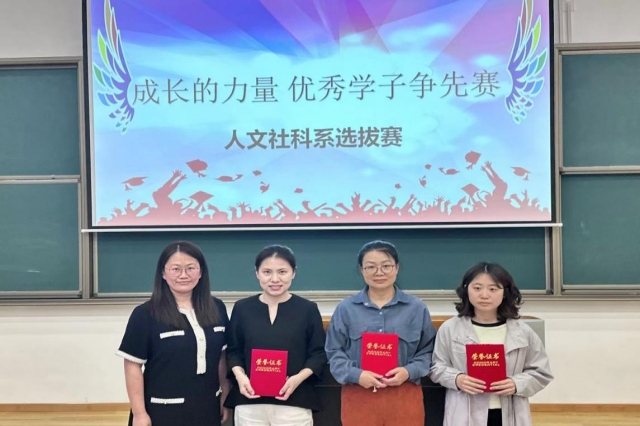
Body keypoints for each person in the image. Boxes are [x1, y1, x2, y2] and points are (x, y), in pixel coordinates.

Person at [116, 241, 230, 426]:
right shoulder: (145, 314)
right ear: (163, 273)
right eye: (175, 269)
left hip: (207, 407)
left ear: (201, 272)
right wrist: (139, 413)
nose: (183, 275)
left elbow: (222, 358)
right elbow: (132, 366)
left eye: (191, 268)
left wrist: (225, 395)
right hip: (162, 410)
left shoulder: (217, 308)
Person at [325, 240, 437, 426]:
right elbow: (334, 352)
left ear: (396, 268)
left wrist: (408, 371)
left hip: (404, 394)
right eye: (371, 267)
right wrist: (356, 375)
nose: (379, 272)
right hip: (359, 394)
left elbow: (428, 351)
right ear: (362, 270)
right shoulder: (346, 309)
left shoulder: (416, 308)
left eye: (386, 266)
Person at [429, 262, 554, 426]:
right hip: (464, 411)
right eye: (477, 288)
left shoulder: (522, 331)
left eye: (493, 289)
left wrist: (516, 384)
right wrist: (457, 379)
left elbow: (541, 372)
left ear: (505, 292)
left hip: (509, 410)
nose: (484, 295)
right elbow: (436, 367)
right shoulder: (450, 329)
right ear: (466, 290)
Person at [224, 245, 327, 426]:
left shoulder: (308, 309)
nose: (275, 279)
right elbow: (234, 351)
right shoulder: (242, 308)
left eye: (282, 272)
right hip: (249, 402)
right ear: (257, 273)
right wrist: (241, 377)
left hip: (295, 400)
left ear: (293, 273)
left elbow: (318, 354)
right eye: (267, 272)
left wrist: (297, 379)